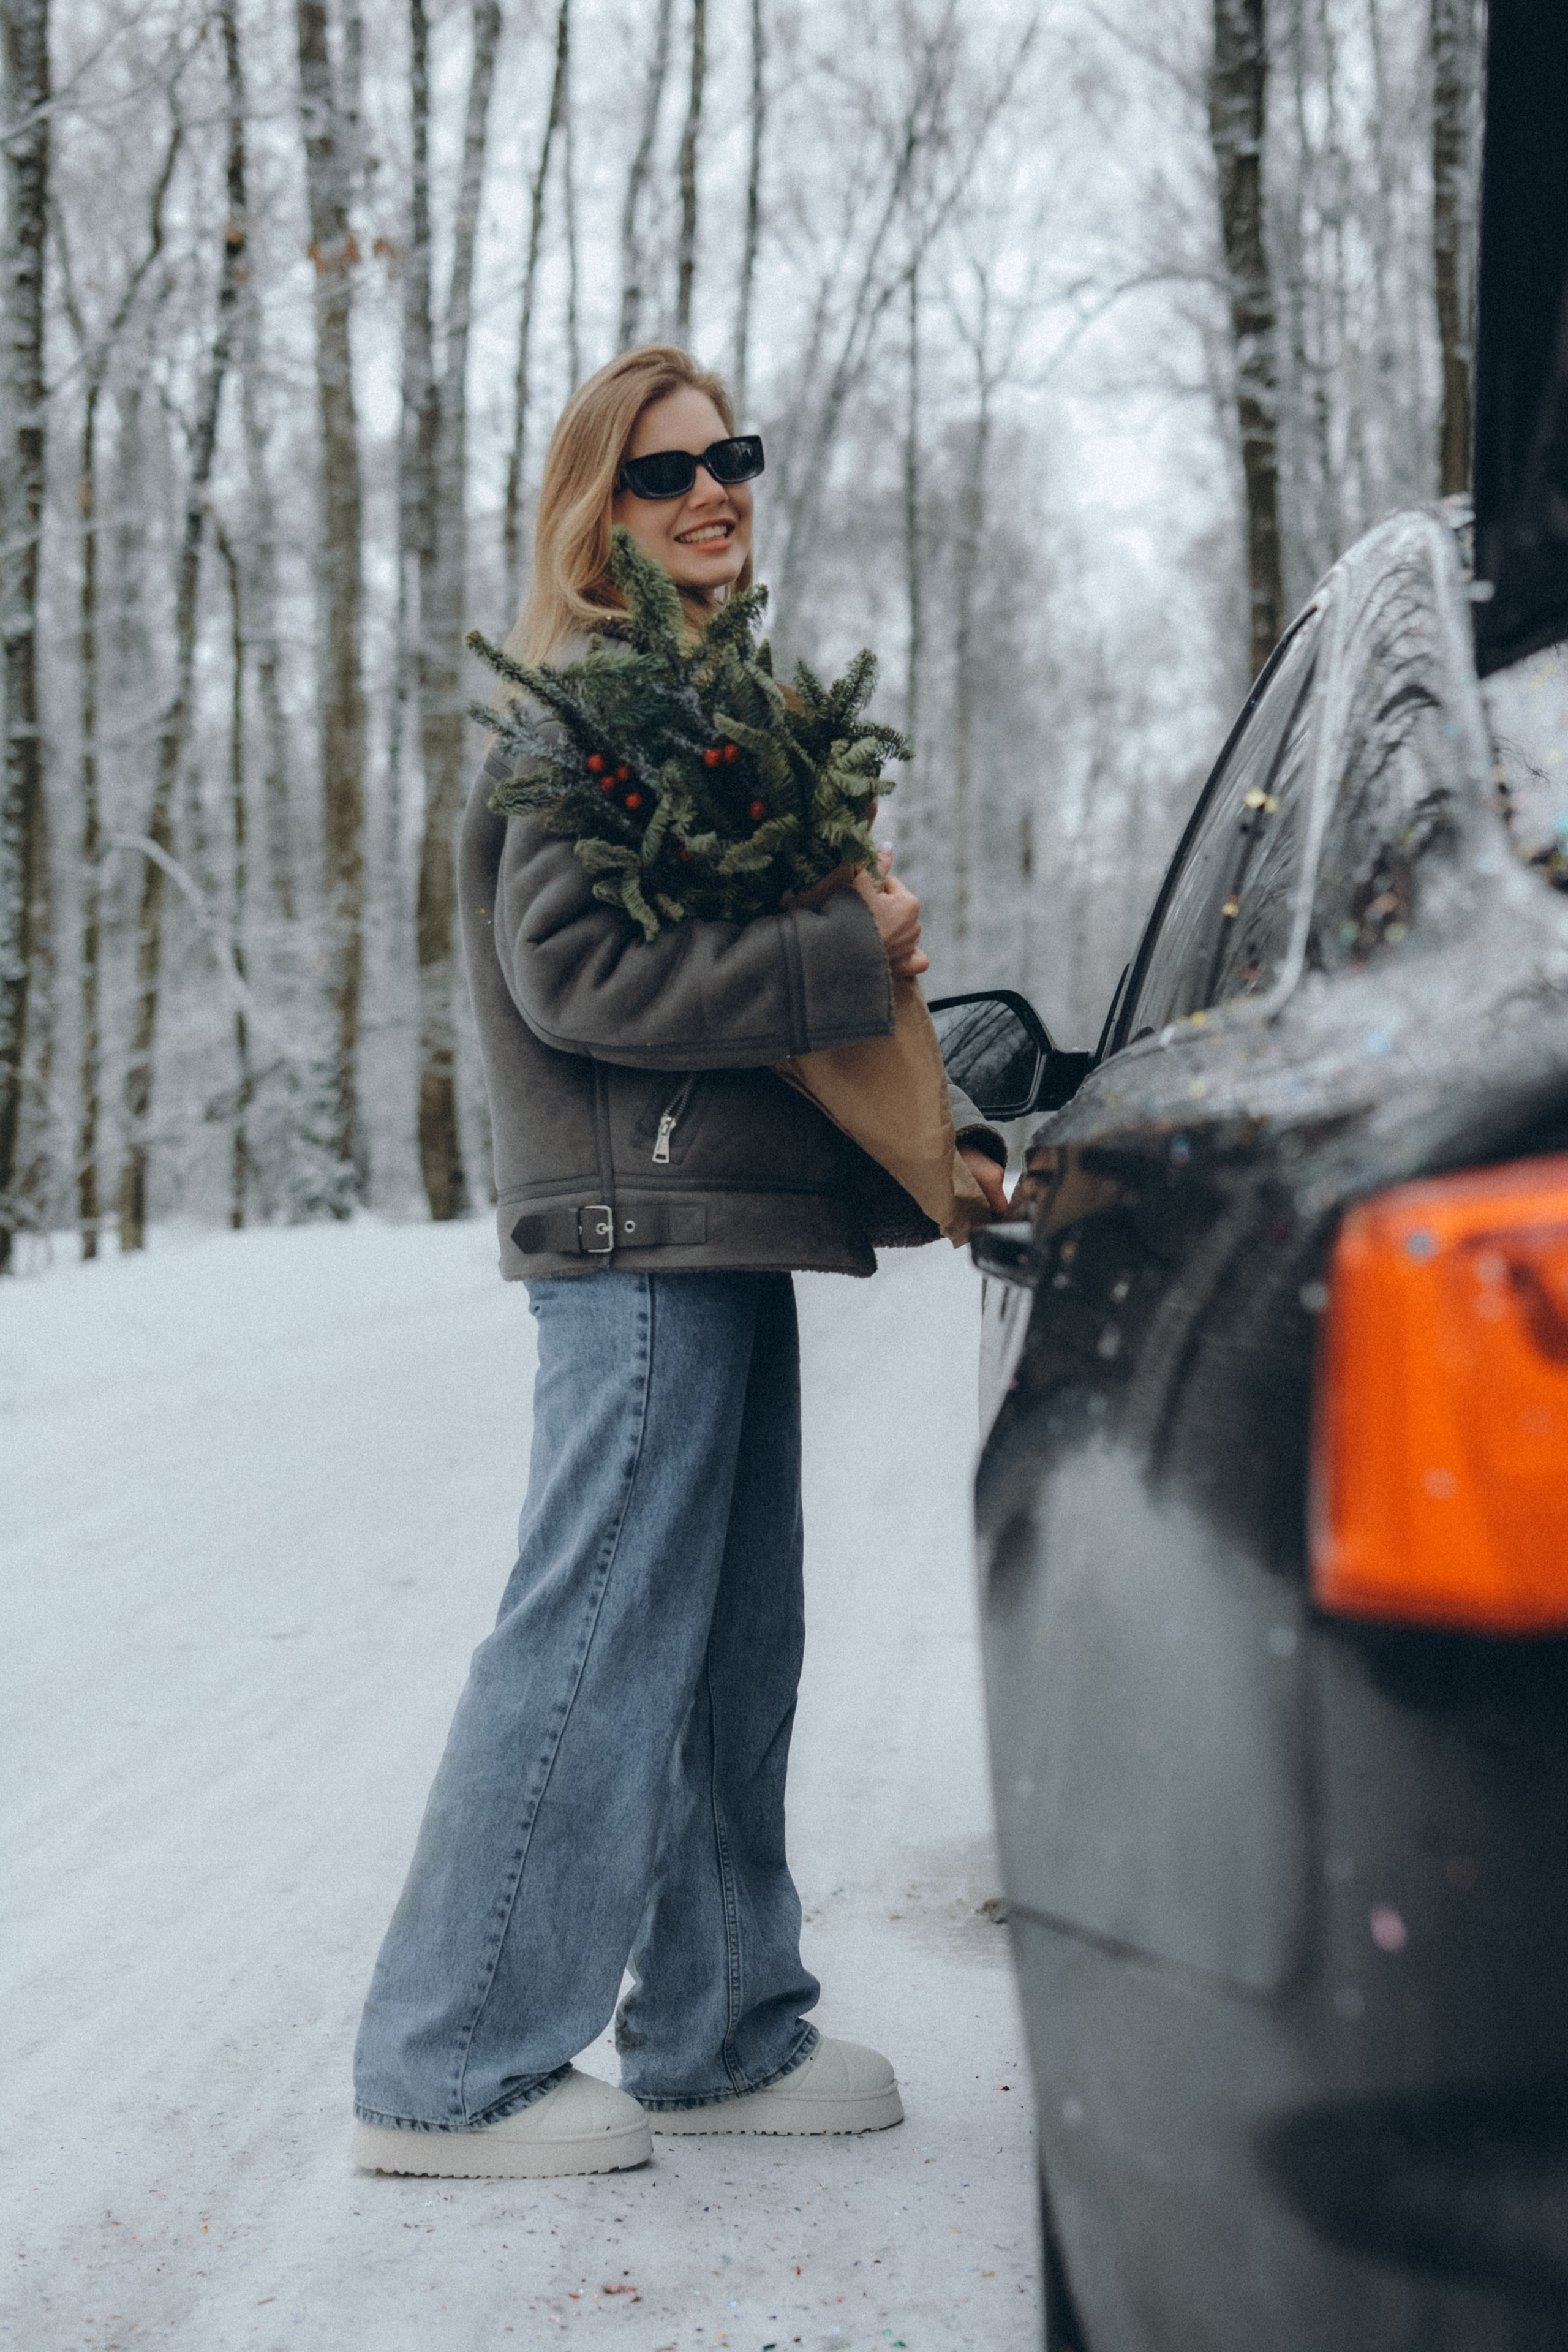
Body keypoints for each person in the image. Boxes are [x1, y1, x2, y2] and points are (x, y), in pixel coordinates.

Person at [350, 345, 1009, 2180]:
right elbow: (580, 977)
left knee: (731, 1643)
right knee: (595, 1634)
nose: (710, 490)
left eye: (731, 457)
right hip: (631, 1241)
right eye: (662, 474)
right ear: (597, 510)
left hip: (715, 1229)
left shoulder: (710, 704)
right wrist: (836, 955)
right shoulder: (583, 709)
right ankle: (449, 2062)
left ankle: (720, 2025)